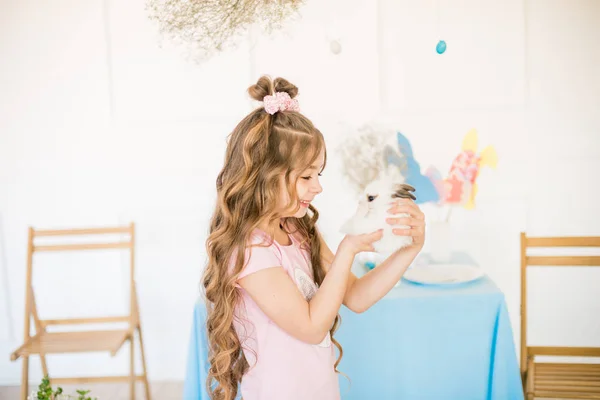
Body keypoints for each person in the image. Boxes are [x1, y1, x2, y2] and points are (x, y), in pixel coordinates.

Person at [201, 76, 425, 400]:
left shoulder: (298, 229)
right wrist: (348, 248)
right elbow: (311, 327)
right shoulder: (250, 250)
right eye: (306, 176)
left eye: (318, 174)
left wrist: (409, 249)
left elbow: (357, 297)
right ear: (264, 176)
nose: (317, 186)